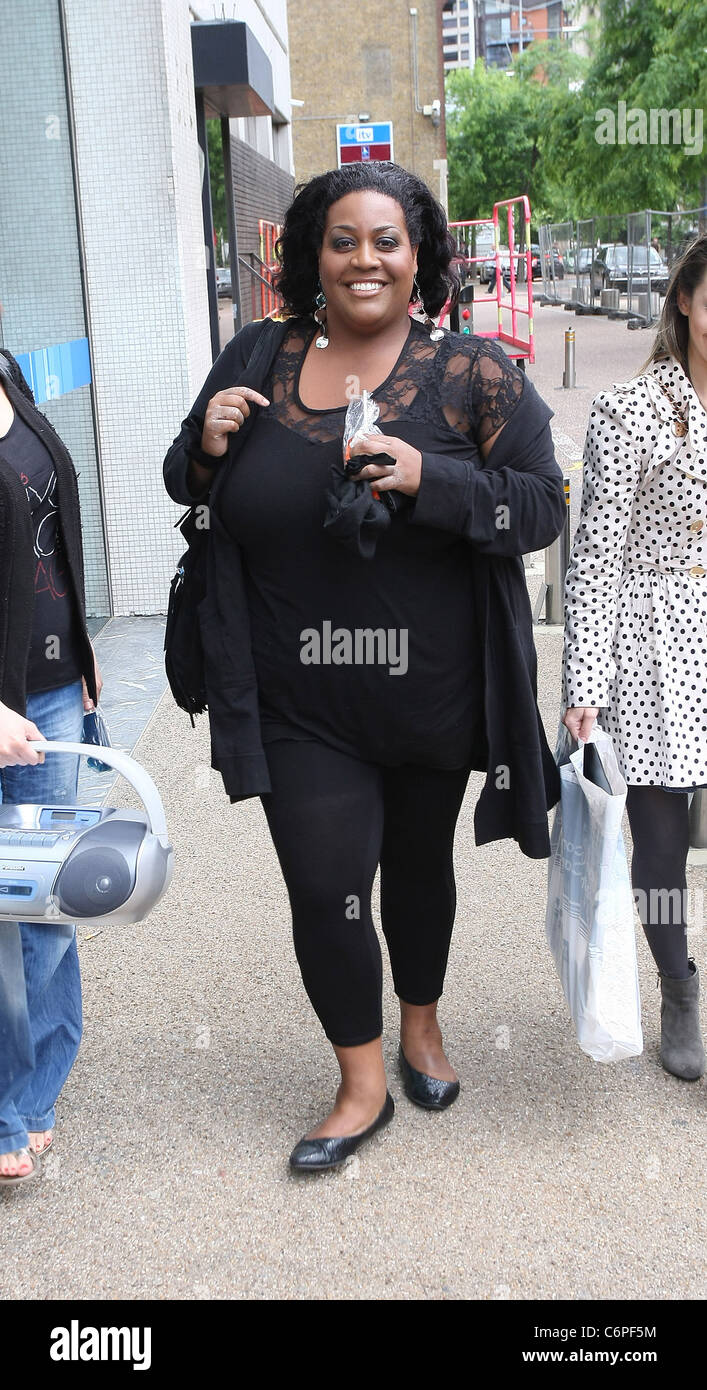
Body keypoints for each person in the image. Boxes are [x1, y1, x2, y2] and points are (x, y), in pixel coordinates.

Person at [164, 161, 566, 1171]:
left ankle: (420, 1024)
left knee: (416, 871)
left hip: (430, 690)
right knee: (323, 885)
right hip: (296, 694)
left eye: (385, 240)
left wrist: (432, 475)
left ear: (419, 253)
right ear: (314, 255)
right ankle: (360, 1081)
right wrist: (204, 446)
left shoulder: (472, 372)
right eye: (342, 240)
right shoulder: (258, 351)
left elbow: (541, 505)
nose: (364, 259)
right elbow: (186, 478)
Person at [563, 233, 707, 1080]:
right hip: (657, 639)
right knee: (658, 844)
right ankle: (679, 987)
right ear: (685, 298)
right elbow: (596, 556)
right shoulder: (631, 409)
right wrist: (584, 681)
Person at [0, 349, 102, 1186]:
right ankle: (9, 1104)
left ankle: (36, 1093)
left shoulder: (8, 375)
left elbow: (51, 529)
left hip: (54, 687)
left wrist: (83, 657)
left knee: (41, 899)